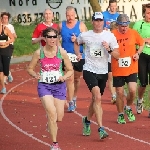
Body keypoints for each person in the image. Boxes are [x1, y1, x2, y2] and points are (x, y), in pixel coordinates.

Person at [74, 12, 119, 139]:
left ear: (103, 22)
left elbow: (117, 55)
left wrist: (109, 49)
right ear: (92, 22)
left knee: (95, 99)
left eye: (100, 20)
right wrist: (78, 54)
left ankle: (87, 120)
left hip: (103, 71)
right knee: (97, 97)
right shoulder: (85, 35)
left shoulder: (109, 36)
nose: (98, 23)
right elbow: (77, 43)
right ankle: (101, 128)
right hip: (89, 70)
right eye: (96, 20)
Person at [27, 27, 73, 150]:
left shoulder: (61, 52)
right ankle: (55, 144)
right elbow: (30, 68)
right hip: (44, 86)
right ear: (45, 39)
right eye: (50, 37)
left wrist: (64, 77)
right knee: (51, 113)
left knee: (59, 117)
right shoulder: (39, 53)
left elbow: (70, 70)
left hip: (59, 86)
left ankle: (50, 123)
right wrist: (35, 75)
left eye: (55, 37)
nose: (52, 39)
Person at [111, 14, 145, 124]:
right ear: (118, 25)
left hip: (131, 68)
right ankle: (120, 114)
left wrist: (138, 53)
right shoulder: (112, 35)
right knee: (120, 93)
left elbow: (142, 43)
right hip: (118, 69)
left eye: (126, 25)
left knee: (132, 90)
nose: (124, 28)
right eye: (122, 26)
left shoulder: (133, 33)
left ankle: (128, 107)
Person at [59, 6, 87, 111]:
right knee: (69, 78)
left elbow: (87, 40)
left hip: (79, 56)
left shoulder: (81, 25)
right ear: (65, 15)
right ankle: (70, 102)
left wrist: (78, 39)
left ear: (75, 15)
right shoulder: (61, 25)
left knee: (76, 78)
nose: (70, 18)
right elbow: (55, 37)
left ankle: (74, 97)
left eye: (71, 15)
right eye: (68, 15)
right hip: (66, 56)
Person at [132, 3, 150, 116]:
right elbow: (132, 40)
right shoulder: (138, 25)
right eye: (148, 13)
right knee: (143, 83)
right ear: (144, 13)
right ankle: (139, 100)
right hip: (142, 55)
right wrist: (145, 40)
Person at [102, 0, 119, 104]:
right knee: (110, 75)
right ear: (109, 6)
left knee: (117, 76)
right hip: (107, 48)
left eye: (114, 6)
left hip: (117, 51)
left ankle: (118, 93)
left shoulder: (120, 16)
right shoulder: (104, 15)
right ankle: (113, 95)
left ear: (116, 7)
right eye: (111, 6)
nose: (113, 8)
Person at [1, 12, 17, 84]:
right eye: (3, 18)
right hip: (1, 47)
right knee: (3, 63)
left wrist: (12, 35)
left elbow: (14, 36)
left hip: (9, 46)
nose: (5, 19)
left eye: (6, 18)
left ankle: (5, 78)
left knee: (7, 61)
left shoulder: (10, 26)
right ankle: (8, 73)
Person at [0, 19, 14, 94]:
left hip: (6, 51)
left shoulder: (5, 29)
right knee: (0, 70)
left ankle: (8, 74)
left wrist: (6, 42)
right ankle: (3, 87)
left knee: (5, 70)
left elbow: (12, 38)